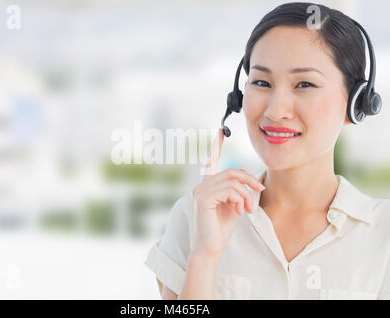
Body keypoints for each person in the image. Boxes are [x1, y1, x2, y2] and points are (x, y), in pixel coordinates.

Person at [144, 2, 390, 299]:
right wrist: (205, 257)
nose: (275, 111)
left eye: (304, 84)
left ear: (356, 104)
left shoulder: (383, 235)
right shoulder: (194, 216)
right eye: (261, 82)